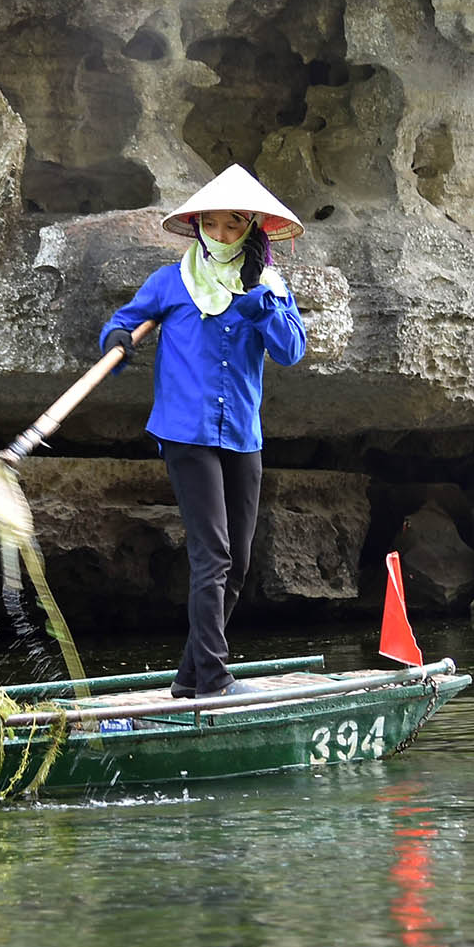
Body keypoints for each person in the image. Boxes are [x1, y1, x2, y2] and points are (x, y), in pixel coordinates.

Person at [99, 164, 308, 698]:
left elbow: (290, 351)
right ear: (197, 228)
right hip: (186, 434)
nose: (219, 236)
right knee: (211, 555)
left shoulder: (271, 287)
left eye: (231, 226)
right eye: (210, 226)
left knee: (237, 563)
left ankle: (189, 677)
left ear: (251, 229)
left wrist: (260, 302)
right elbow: (122, 322)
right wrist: (117, 339)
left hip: (242, 434)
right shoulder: (170, 282)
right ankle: (214, 678)